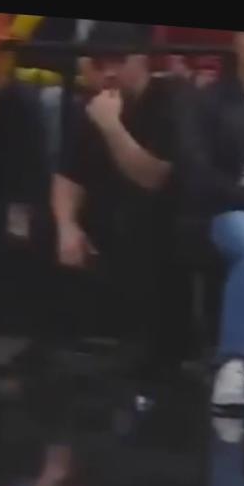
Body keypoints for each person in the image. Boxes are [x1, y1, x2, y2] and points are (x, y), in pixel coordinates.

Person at [50, 22, 189, 405]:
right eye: (99, 63)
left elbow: (154, 177)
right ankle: (54, 340)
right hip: (110, 207)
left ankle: (156, 351)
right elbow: (67, 176)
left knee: (145, 222)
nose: (108, 72)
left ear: (142, 60)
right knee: (49, 221)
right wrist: (67, 226)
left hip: (169, 210)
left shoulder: (170, 99)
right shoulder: (91, 105)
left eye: (117, 61)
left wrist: (111, 127)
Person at [178, 30, 244, 410]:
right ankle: (232, 366)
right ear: (236, 42)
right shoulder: (208, 102)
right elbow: (198, 174)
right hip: (230, 209)